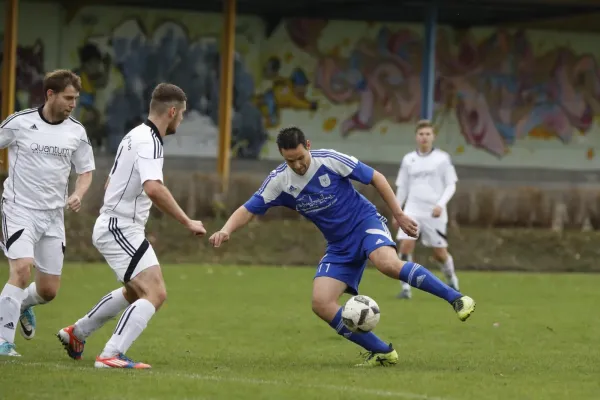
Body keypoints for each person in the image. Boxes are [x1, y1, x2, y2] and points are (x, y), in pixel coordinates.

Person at [209, 127, 476, 367]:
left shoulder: (330, 159)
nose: (298, 165)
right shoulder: (280, 180)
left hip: (365, 223)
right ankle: (382, 352)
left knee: (387, 264)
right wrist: (225, 229)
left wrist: (399, 214)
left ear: (308, 145)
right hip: (338, 245)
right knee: (321, 302)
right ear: (282, 156)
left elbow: (377, 178)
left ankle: (457, 298)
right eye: (290, 160)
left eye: (301, 157)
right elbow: (248, 208)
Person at [57, 83, 206, 369]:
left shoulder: (134, 135)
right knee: (156, 292)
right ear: (172, 111)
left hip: (118, 224)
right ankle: (111, 354)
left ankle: (77, 333)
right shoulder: (149, 140)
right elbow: (153, 188)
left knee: (134, 291)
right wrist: (187, 221)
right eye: (182, 114)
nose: (182, 120)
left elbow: (111, 181)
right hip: (120, 227)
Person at [0, 70, 95, 357]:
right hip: (19, 209)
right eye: (68, 98)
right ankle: (4, 342)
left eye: (76, 99)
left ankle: (23, 304)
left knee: (48, 290)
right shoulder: (20, 123)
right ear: (50, 95)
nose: (72, 104)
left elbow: (86, 171)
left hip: (53, 216)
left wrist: (78, 193)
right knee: (21, 269)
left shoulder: (76, 131)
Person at [395, 120, 459, 300]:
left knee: (440, 254)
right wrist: (398, 210)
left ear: (433, 137)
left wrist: (441, 204)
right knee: (405, 247)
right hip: (412, 210)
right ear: (416, 137)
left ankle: (451, 279)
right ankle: (406, 288)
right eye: (421, 134)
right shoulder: (408, 159)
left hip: (434, 212)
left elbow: (451, 185)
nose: (424, 137)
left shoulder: (442, 159)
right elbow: (403, 187)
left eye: (427, 134)